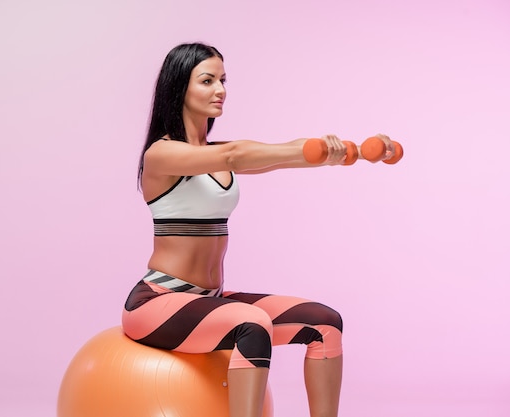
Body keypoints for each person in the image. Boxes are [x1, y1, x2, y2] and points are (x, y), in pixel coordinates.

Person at [122, 42, 383, 417]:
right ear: (180, 87)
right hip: (158, 303)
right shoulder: (162, 155)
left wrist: (339, 150)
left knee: (325, 323)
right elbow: (236, 155)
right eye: (208, 80)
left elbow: (277, 152)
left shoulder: (217, 152)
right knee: (252, 325)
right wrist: (306, 152)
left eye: (223, 80)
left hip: (210, 299)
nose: (221, 90)